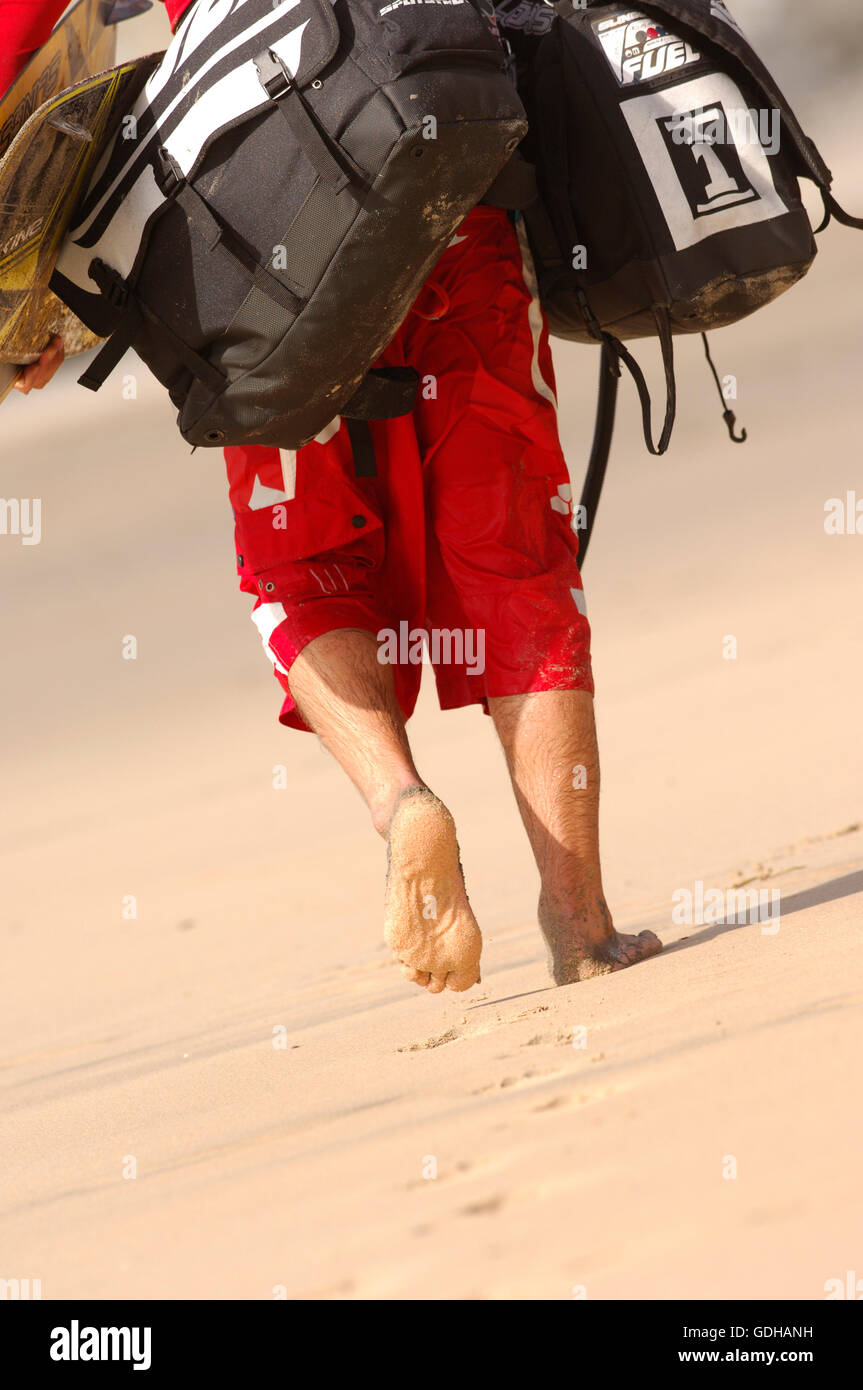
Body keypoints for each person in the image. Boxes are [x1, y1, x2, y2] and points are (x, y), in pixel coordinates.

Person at [6, 0, 663, 992]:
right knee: (516, 559)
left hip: (261, 228)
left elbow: (23, 53)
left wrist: (22, 302)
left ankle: (400, 803)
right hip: (449, 170)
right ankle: (581, 926)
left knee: (300, 564)